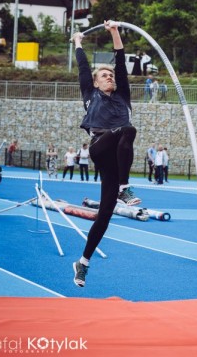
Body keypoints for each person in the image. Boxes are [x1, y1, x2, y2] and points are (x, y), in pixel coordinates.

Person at [72, 20, 140, 288]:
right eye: (104, 75)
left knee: (105, 217)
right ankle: (125, 187)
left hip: (117, 158)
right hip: (100, 146)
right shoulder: (90, 94)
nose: (109, 77)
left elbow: (121, 62)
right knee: (127, 129)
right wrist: (78, 42)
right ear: (96, 83)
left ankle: (83, 263)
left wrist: (114, 32)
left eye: (110, 75)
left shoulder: (123, 96)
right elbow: (83, 67)